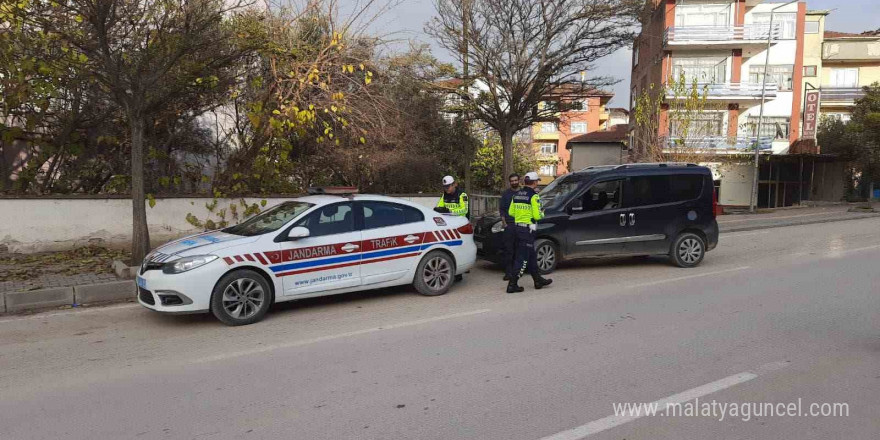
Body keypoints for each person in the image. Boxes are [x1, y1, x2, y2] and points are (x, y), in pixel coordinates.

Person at [506, 171, 552, 293]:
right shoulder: (534, 196)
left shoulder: (516, 195)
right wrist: (542, 213)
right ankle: (512, 284)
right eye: (537, 181)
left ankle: (537, 280)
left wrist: (521, 215)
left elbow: (511, 212)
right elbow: (537, 216)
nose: (537, 183)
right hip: (527, 230)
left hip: (517, 228)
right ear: (535, 182)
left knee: (531, 255)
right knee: (522, 258)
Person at [499, 173, 520, 281]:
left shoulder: (522, 193)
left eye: (516, 180)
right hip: (509, 225)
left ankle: (516, 273)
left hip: (520, 225)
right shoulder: (506, 194)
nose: (514, 182)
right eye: (512, 181)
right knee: (508, 251)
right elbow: (502, 209)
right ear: (510, 182)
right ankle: (508, 273)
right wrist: (505, 223)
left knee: (518, 250)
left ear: (519, 181)